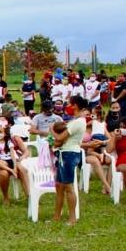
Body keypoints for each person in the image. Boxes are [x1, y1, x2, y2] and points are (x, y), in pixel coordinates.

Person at [49, 95, 87, 225]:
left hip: (69, 154)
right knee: (59, 186)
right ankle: (56, 216)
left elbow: (60, 138)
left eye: (70, 104)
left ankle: (72, 218)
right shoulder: (75, 120)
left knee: (69, 187)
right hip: (64, 153)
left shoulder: (78, 122)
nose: (68, 107)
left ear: (75, 105)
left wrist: (51, 130)